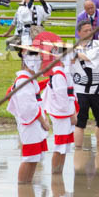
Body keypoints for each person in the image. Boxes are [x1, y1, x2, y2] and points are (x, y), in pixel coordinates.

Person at [8, 42, 51, 183]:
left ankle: (27, 192)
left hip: (35, 123)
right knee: (29, 158)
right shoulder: (23, 81)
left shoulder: (30, 80)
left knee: (34, 159)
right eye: (36, 56)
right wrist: (43, 121)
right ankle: (23, 191)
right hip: (30, 124)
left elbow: (36, 103)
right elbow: (28, 107)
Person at [71, 20, 99, 150]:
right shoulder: (73, 48)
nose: (89, 33)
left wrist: (75, 54)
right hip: (80, 90)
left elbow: (91, 58)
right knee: (79, 122)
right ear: (79, 33)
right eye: (85, 31)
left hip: (97, 90)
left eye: (90, 30)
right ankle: (78, 150)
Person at [41, 37, 77, 174]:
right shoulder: (58, 74)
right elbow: (62, 100)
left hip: (65, 112)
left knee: (65, 147)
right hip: (61, 114)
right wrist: (72, 114)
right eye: (70, 55)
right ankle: (55, 178)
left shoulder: (65, 73)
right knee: (60, 146)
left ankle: (58, 175)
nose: (73, 59)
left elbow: (70, 94)